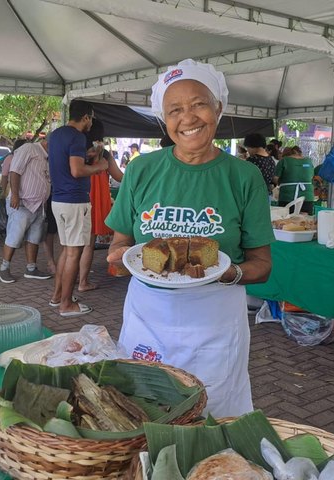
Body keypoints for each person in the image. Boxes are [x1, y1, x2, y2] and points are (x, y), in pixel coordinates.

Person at [105, 59, 274, 417]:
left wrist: (227, 272)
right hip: (147, 318)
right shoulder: (141, 169)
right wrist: (119, 261)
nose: (188, 117)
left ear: (219, 108)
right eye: (175, 110)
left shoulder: (244, 177)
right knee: (142, 410)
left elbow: (262, 266)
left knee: (211, 414)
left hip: (215, 320)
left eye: (199, 103)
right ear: (164, 121)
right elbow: (120, 247)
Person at [48, 100, 108, 317]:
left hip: (59, 200)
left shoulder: (56, 135)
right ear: (86, 117)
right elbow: (76, 170)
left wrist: (88, 156)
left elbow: (66, 162)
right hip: (74, 201)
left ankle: (57, 297)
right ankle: (66, 304)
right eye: (90, 118)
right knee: (74, 253)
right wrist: (99, 166)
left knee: (67, 250)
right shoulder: (77, 136)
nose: (91, 123)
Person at [0, 136, 52, 283]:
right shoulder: (29, 148)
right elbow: (14, 171)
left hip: (38, 204)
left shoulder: (47, 156)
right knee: (15, 235)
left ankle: (31, 268)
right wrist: (15, 195)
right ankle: (3, 269)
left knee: (34, 236)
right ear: (47, 142)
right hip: (22, 202)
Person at [79, 119, 124, 293]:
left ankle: (73, 276)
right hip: (94, 199)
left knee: (73, 245)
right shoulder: (103, 154)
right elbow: (119, 176)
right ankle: (83, 281)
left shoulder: (77, 150)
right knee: (88, 244)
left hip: (76, 197)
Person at [273, 145, 315, 214]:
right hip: (307, 197)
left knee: (286, 220)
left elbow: (275, 178)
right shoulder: (308, 161)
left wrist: (281, 182)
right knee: (305, 221)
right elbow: (311, 177)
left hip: (288, 197)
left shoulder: (284, 161)